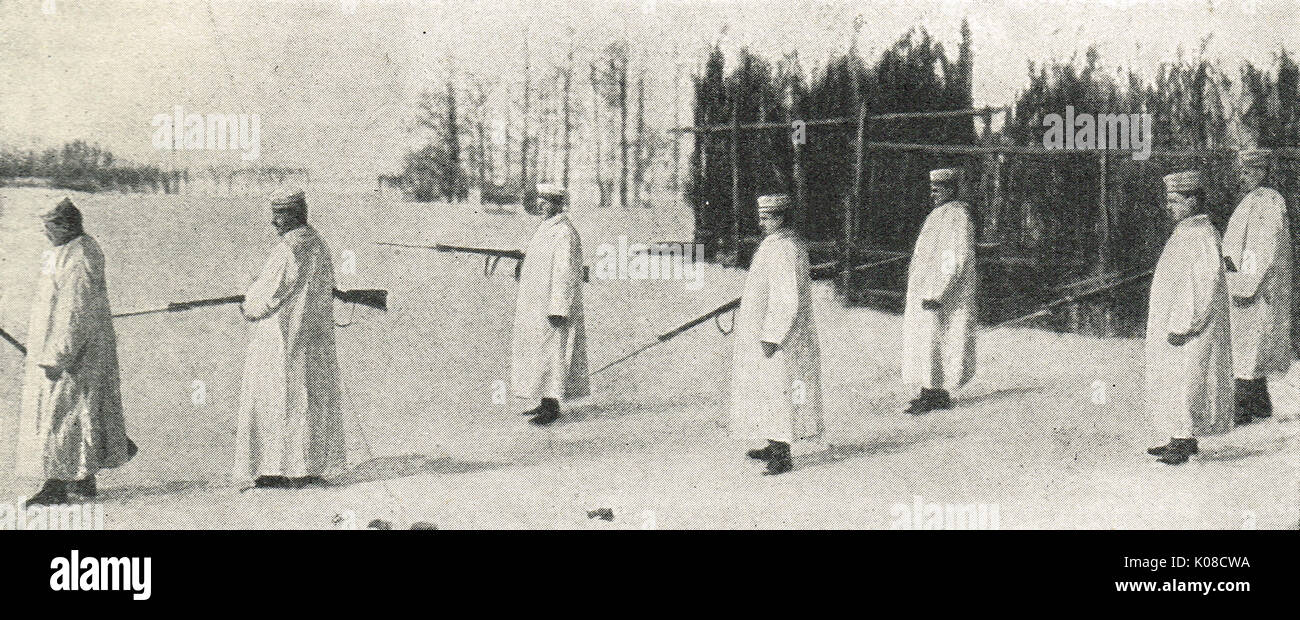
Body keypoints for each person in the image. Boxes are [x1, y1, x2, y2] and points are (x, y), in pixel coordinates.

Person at [18, 197, 136, 506]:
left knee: (61, 413)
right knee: (80, 411)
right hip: (71, 346)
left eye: (49, 228)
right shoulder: (64, 252)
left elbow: (76, 312)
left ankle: (56, 483)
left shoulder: (80, 256)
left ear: (65, 226)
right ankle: (83, 477)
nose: (45, 234)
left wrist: (59, 355)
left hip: (77, 350)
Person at [235, 187, 345, 488]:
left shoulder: (287, 249)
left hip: (282, 337)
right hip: (313, 336)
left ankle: (276, 469)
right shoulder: (319, 244)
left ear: (294, 215)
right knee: (308, 398)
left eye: (279, 215)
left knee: (278, 397)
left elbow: (267, 295)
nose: (274, 222)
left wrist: (248, 304)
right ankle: (307, 466)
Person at [730, 193, 824, 475]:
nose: (762, 223)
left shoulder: (784, 248)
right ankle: (774, 442)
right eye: (761, 217)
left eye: (768, 217)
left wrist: (773, 335)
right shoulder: (776, 245)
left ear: (783, 217)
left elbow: (787, 298)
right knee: (768, 391)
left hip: (781, 338)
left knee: (781, 391)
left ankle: (782, 453)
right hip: (768, 332)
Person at [1145, 171, 1233, 465]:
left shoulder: (1201, 235)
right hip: (1175, 323)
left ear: (1192, 201)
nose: (1168, 206)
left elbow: (1203, 286)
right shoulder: (1186, 232)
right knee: (1174, 378)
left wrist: (1184, 323)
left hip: (1190, 327)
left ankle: (1184, 439)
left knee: (1188, 379)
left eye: (1175, 201)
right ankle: (1178, 435)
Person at [1222, 149, 1293, 425]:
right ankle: (1260, 402)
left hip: (1255, 289)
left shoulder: (1268, 203)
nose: (1243, 177)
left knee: (1248, 345)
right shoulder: (1254, 201)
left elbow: (1261, 251)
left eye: (1248, 172)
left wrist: (1244, 284)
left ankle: (1243, 405)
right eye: (1242, 172)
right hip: (1245, 282)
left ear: (1263, 172)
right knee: (1248, 345)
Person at [511, 183, 589, 426]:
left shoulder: (564, 232)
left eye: (546, 202)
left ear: (557, 204)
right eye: (540, 201)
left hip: (552, 306)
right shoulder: (547, 228)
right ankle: (545, 401)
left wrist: (559, 307)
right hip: (538, 303)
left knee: (554, 354)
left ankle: (552, 406)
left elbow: (564, 273)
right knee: (540, 353)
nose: (541, 205)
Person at [900, 169, 977, 414]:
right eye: (932, 190)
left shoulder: (957, 216)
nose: (933, 194)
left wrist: (940, 293)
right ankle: (927, 390)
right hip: (925, 290)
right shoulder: (937, 215)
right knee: (924, 341)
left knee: (937, 341)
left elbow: (954, 257)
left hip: (940, 294)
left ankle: (936, 393)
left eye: (938, 189)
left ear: (951, 190)